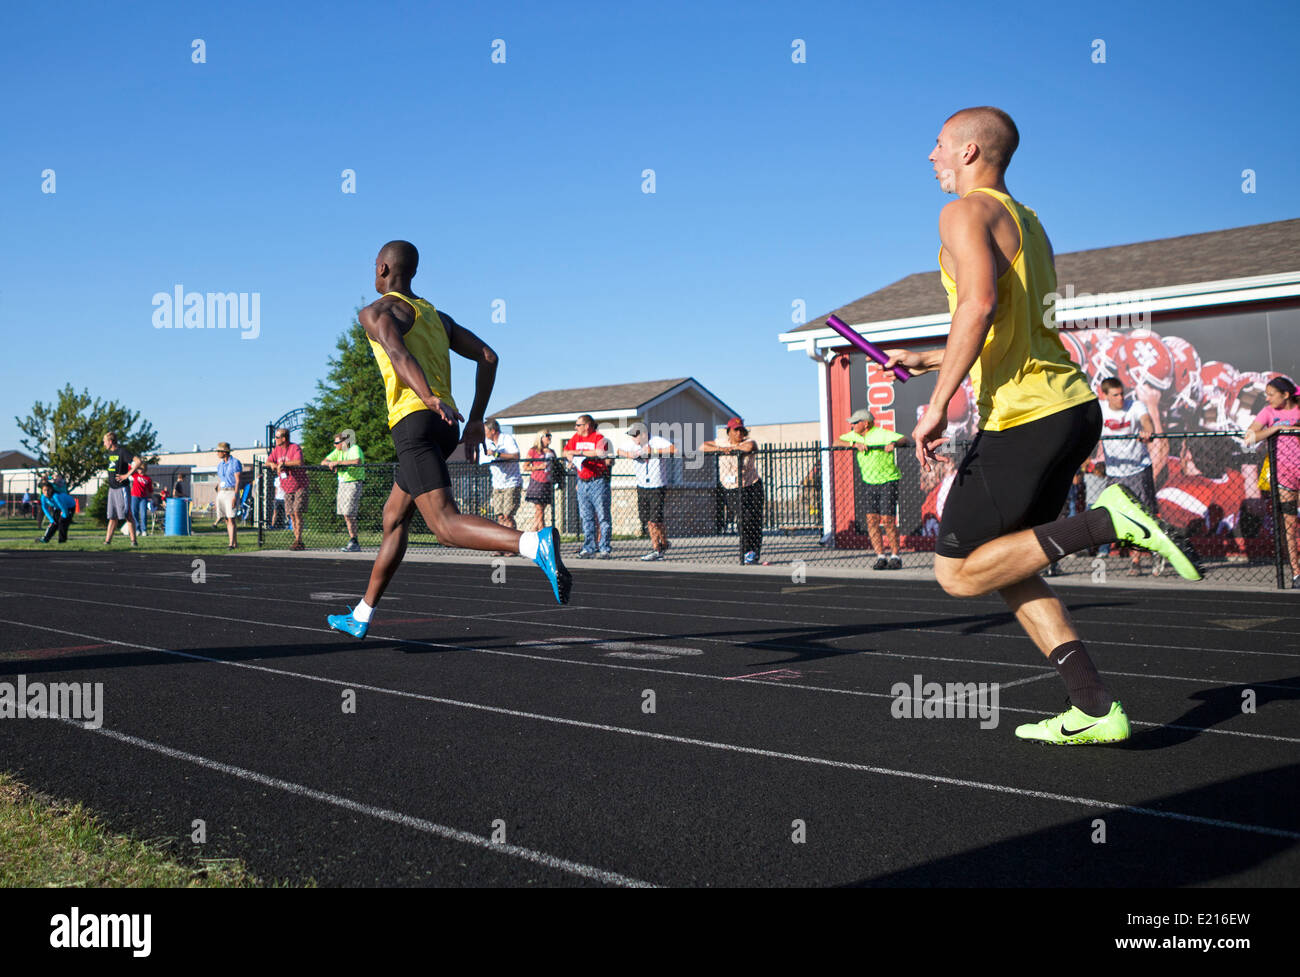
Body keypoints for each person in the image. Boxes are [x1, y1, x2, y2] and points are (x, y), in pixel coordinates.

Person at [883, 106, 1200, 746]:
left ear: (970, 151)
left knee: (957, 571)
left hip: (1025, 417)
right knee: (1010, 566)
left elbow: (977, 304)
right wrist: (930, 357)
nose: (930, 156)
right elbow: (1011, 327)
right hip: (1069, 409)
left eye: (938, 144)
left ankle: (1109, 521)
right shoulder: (1031, 223)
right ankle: (1092, 705)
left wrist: (938, 402)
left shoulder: (962, 212)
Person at [326, 240, 570, 639]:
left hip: (414, 422)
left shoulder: (375, 312)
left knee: (443, 525)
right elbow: (488, 356)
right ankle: (362, 613)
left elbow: (397, 352)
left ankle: (532, 544)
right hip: (445, 426)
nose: (374, 273)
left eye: (375, 267)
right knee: (394, 517)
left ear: (384, 269)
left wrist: (425, 395)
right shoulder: (437, 318)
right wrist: (474, 421)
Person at [1097, 378, 1169, 576]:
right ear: (1105, 396)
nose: (1120, 398)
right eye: (1115, 395)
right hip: (1115, 473)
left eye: (1122, 394)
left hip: (1138, 469)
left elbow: (1146, 420)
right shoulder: (1099, 409)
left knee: (1146, 514)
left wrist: (1147, 430)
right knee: (1124, 518)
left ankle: (1157, 552)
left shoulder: (1135, 405)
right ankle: (1135, 561)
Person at [839, 407, 912, 569]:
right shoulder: (854, 436)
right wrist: (853, 444)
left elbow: (905, 440)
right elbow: (836, 442)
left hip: (888, 481)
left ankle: (895, 556)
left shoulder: (882, 433)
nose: (852, 426)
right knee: (871, 521)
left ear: (865, 423)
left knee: (887, 520)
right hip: (868, 483)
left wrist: (894, 444)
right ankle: (880, 556)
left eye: (855, 423)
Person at [1244, 376, 1300, 587]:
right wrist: (1275, 429)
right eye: (1266, 394)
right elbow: (1249, 436)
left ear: (1285, 395)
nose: (1267, 399)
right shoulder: (1268, 413)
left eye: (1271, 394)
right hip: (1285, 476)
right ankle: (1296, 572)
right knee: (1289, 524)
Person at [702, 417, 764, 564]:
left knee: (755, 519)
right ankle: (746, 551)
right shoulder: (721, 443)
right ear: (728, 431)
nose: (739, 433)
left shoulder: (747, 442)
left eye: (741, 430)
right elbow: (702, 446)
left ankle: (754, 552)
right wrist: (721, 449)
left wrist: (733, 449)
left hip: (752, 485)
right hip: (732, 487)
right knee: (744, 517)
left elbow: (750, 447)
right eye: (735, 430)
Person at [619, 422, 677, 561]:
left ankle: (657, 549)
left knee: (654, 520)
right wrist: (629, 454)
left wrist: (654, 452)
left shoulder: (656, 441)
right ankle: (664, 542)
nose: (633, 439)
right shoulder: (633, 445)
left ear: (643, 434)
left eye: (635, 436)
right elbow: (619, 451)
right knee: (647, 519)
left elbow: (674, 449)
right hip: (642, 485)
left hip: (657, 485)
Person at [563, 414, 613, 558]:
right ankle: (589, 547)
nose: (576, 428)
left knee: (603, 517)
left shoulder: (598, 437)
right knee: (586, 517)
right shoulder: (575, 438)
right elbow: (566, 450)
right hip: (582, 482)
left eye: (578, 425)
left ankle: (604, 548)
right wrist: (570, 456)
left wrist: (580, 452)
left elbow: (600, 452)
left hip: (597, 481)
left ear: (587, 426)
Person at [480, 419, 522, 554]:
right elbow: (481, 457)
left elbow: (516, 455)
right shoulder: (486, 443)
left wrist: (497, 454)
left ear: (493, 431)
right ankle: (500, 545)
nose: (484, 433)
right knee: (500, 517)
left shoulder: (507, 439)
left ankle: (511, 547)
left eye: (485, 430)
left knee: (508, 515)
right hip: (497, 484)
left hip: (511, 482)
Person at [323, 429, 366, 552]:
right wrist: (331, 464)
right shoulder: (338, 451)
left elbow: (357, 461)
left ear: (344, 442)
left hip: (353, 482)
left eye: (337, 443)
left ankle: (354, 541)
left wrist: (338, 463)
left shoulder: (354, 448)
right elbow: (324, 461)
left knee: (349, 512)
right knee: (346, 514)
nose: (335, 445)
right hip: (342, 484)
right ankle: (353, 540)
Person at [267, 428, 307, 550]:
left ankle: (298, 540)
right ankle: (297, 540)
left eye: (277, 437)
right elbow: (268, 461)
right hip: (287, 487)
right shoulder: (277, 450)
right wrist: (273, 464)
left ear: (284, 438)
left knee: (297, 512)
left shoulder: (295, 448)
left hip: (300, 485)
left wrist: (284, 464)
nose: (275, 439)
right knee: (291, 514)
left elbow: (299, 461)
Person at [102, 431, 140, 547]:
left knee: (127, 515)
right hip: (112, 489)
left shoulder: (122, 452)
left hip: (121, 489)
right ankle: (107, 541)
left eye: (105, 441)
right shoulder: (109, 453)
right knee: (112, 516)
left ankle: (134, 541)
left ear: (111, 441)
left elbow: (138, 461)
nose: (104, 444)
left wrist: (126, 475)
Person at [524, 430, 556, 531]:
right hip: (537, 482)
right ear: (541, 438)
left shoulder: (552, 452)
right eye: (547, 436)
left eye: (550, 436)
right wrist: (539, 467)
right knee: (539, 509)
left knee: (542, 509)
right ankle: (541, 530)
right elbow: (525, 467)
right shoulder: (533, 451)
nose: (549, 438)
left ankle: (534, 531)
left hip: (548, 482)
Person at [214, 442, 243, 549]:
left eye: (219, 451)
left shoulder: (235, 463)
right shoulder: (220, 465)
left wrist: (235, 496)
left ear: (224, 452)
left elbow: (238, 480)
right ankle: (234, 543)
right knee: (226, 518)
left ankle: (231, 543)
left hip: (231, 491)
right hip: (222, 491)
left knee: (231, 518)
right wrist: (217, 495)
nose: (217, 453)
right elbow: (220, 480)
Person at [129, 461, 154, 538]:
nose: (140, 470)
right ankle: (137, 529)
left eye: (141, 468)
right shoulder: (135, 475)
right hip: (134, 497)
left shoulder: (148, 479)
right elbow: (129, 468)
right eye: (139, 468)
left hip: (143, 498)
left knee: (143, 514)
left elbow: (150, 490)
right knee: (134, 513)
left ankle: (144, 530)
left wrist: (151, 497)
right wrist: (134, 464)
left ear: (145, 469)